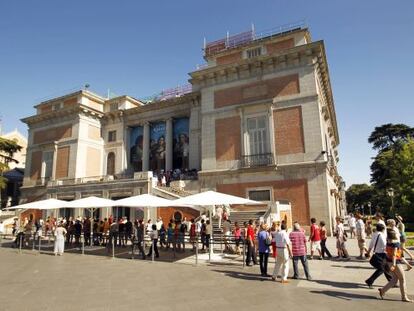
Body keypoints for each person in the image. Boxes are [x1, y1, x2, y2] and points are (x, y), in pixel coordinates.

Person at [378, 228, 412, 302]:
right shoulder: (395, 243)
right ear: (394, 235)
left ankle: (382, 291)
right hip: (395, 263)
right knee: (402, 279)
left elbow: (388, 254)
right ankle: (404, 297)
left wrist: (387, 263)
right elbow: (394, 255)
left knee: (394, 279)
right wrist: (394, 264)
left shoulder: (388, 242)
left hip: (389, 262)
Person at [365, 223, 392, 288]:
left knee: (386, 268)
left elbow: (371, 244)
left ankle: (391, 281)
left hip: (378, 254)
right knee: (382, 269)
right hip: (381, 254)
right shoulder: (382, 236)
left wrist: (368, 252)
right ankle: (369, 281)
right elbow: (385, 245)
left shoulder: (375, 234)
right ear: (383, 229)